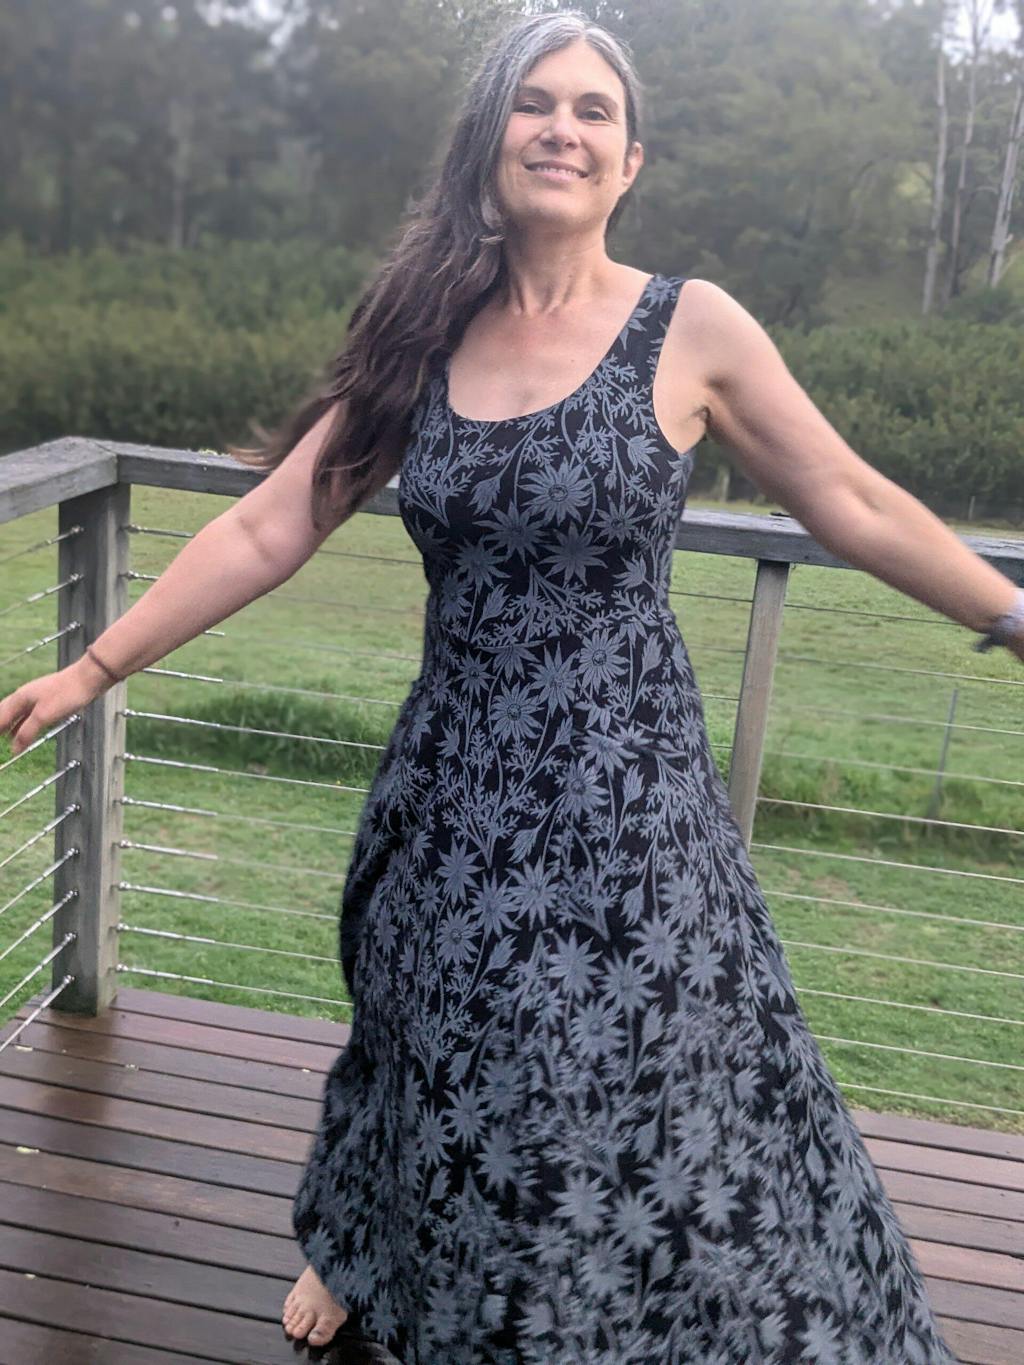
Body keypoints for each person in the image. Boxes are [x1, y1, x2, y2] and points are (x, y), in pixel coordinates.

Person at [2, 9, 1021, 1363]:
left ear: (631, 160)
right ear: (490, 140)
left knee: (622, 1063)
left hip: (628, 799)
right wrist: (94, 664)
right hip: (455, 785)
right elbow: (271, 521)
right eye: (536, 102)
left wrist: (1010, 612)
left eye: (595, 110)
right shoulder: (426, 333)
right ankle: (366, 1246)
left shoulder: (690, 325)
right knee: (423, 1029)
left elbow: (850, 498)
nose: (563, 128)